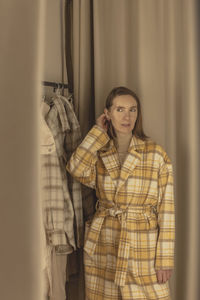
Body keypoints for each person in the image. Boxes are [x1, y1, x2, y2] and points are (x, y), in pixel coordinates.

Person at [67, 86, 175, 299]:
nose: (127, 116)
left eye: (132, 110)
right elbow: (76, 168)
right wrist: (98, 132)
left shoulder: (155, 153)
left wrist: (164, 259)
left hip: (141, 242)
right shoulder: (100, 152)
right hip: (104, 241)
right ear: (107, 114)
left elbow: (167, 211)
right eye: (120, 110)